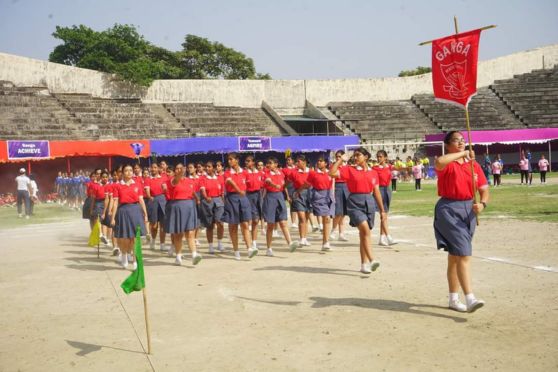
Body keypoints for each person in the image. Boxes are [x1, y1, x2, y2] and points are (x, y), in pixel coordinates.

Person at [434, 131, 489, 313]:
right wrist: (463, 154)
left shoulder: (474, 166)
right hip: (449, 209)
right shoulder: (447, 164)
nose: (460, 143)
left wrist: (483, 204)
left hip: (469, 209)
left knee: (455, 257)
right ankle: (470, 297)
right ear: (448, 145)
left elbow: (484, 188)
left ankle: (453, 299)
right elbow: (440, 162)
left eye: (462, 141)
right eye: (456, 141)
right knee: (464, 254)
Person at [330, 147, 387, 274]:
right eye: (354, 155)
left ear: (366, 157)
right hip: (354, 202)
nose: (355, 157)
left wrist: (382, 210)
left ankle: (363, 264)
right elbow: (332, 173)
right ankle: (372, 260)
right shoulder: (349, 170)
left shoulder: (373, 173)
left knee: (363, 234)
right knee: (365, 231)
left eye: (358, 155)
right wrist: (340, 161)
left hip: (369, 202)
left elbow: (376, 191)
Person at [162, 163, 202, 266]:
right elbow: (177, 180)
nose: (179, 170)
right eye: (177, 168)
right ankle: (178, 256)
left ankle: (194, 255)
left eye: (181, 168)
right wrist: (180, 173)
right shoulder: (171, 180)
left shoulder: (189, 181)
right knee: (178, 234)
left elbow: (192, 192)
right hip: (177, 206)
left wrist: (197, 199)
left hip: (189, 206)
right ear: (175, 171)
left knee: (190, 232)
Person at [110, 164, 148, 270]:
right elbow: (115, 202)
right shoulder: (118, 186)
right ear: (122, 173)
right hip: (123, 212)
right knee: (125, 238)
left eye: (131, 170)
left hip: (135, 211)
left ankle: (135, 260)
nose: (129, 172)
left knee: (135, 238)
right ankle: (124, 255)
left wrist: (145, 213)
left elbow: (141, 200)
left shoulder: (137, 184)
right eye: (126, 170)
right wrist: (113, 217)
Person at [222, 152, 258, 260]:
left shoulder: (245, 173)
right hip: (232, 199)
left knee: (245, 225)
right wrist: (239, 190)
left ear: (237, 160)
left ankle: (249, 248)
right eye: (228, 159)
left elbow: (250, 185)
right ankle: (236, 250)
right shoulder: (227, 173)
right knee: (233, 227)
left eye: (231, 159)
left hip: (243, 199)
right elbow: (230, 182)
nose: (229, 161)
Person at [261, 157, 298, 256]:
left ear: (276, 164)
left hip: (280, 197)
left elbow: (284, 183)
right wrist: (274, 185)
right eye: (268, 163)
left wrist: (287, 185)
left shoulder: (281, 173)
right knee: (270, 225)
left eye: (271, 163)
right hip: (270, 197)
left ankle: (290, 243)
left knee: (283, 222)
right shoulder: (266, 173)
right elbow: (268, 181)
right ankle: (269, 248)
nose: (269, 165)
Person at [301, 156, 334, 251]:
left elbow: (332, 184)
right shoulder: (313, 173)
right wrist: (299, 191)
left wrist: (333, 196)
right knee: (326, 217)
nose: (319, 162)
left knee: (327, 219)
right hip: (318, 196)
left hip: (328, 195)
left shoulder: (330, 173)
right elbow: (307, 184)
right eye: (318, 161)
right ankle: (324, 241)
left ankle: (325, 242)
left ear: (326, 163)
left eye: (321, 161)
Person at [199, 161, 225, 253]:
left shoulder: (219, 178)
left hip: (218, 201)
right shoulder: (203, 178)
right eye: (206, 167)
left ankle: (220, 243)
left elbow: (222, 192)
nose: (207, 168)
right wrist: (206, 197)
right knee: (210, 225)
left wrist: (223, 201)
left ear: (213, 168)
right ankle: (210, 246)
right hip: (208, 201)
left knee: (220, 222)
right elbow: (202, 190)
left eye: (209, 167)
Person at [373, 150, 397, 246]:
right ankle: (388, 237)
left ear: (385, 157)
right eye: (378, 156)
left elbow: (399, 168)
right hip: (379, 190)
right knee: (383, 214)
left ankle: (381, 238)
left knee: (384, 215)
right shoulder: (375, 168)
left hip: (387, 190)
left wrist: (408, 168)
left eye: (381, 156)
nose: (379, 158)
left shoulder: (389, 167)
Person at [289, 155, 312, 247]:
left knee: (306, 218)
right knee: (301, 217)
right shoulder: (293, 172)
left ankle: (305, 238)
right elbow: (288, 182)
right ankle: (302, 238)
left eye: (298, 161)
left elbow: (311, 183)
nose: (296, 163)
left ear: (304, 162)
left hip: (309, 194)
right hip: (298, 194)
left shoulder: (311, 171)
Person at [144, 162, 167, 251]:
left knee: (163, 224)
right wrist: (149, 197)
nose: (153, 169)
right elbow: (147, 191)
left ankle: (162, 244)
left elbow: (165, 188)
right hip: (153, 201)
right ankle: (153, 241)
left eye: (155, 167)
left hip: (162, 201)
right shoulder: (148, 179)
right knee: (154, 225)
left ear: (158, 169)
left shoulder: (163, 178)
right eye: (152, 168)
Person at [244, 155, 264, 250]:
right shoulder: (244, 173)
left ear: (253, 162)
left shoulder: (259, 173)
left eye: (248, 161)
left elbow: (263, 185)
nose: (247, 163)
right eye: (246, 161)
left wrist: (262, 196)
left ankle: (254, 242)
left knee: (256, 220)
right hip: (248, 196)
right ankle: (249, 242)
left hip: (258, 195)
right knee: (249, 220)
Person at [330, 150, 349, 241]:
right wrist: (332, 191)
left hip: (346, 188)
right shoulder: (334, 166)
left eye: (340, 156)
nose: (338, 158)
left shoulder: (347, 167)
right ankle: (333, 230)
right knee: (338, 212)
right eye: (337, 156)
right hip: (337, 187)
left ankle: (341, 233)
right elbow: (332, 178)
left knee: (343, 213)